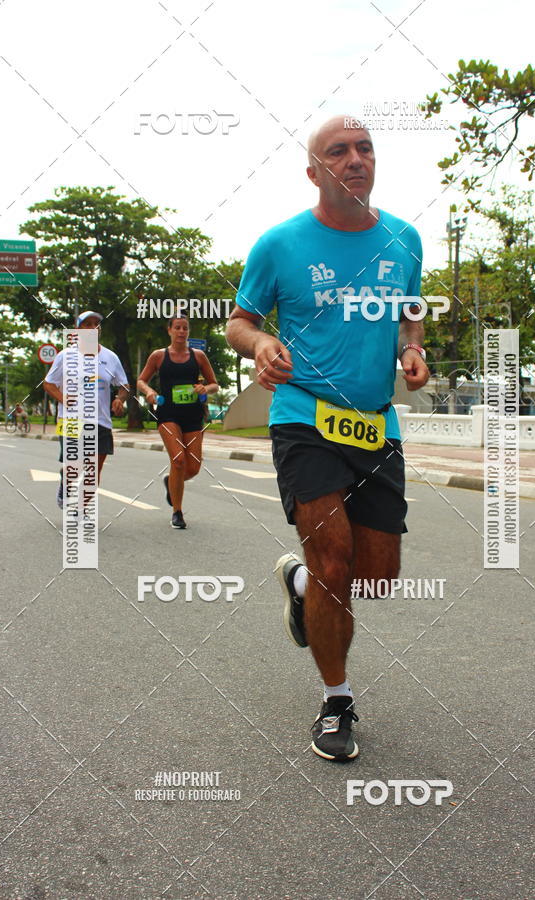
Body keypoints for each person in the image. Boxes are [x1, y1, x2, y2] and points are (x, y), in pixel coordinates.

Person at [226, 116, 430, 761]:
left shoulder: (404, 239)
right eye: (337, 151)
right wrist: (260, 343)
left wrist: (412, 351)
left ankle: (299, 587)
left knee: (377, 576)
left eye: (364, 148)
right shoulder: (281, 244)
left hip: (375, 423)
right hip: (303, 416)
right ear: (314, 171)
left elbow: (410, 314)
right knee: (334, 560)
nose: (355, 159)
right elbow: (240, 320)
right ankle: (336, 700)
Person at [137, 315, 219, 529]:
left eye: (185, 328)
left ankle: (171, 482)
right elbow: (141, 380)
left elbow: (214, 384)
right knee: (179, 461)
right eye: (178, 328)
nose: (182, 331)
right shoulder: (159, 356)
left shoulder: (198, 356)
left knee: (193, 467)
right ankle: (177, 512)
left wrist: (205, 389)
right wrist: (149, 391)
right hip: (168, 414)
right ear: (169, 330)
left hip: (193, 415)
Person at [43, 310, 130, 509]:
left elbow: (124, 385)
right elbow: (48, 384)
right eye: (87, 324)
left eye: (95, 325)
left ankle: (81, 511)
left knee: (93, 471)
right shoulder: (66, 356)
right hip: (70, 420)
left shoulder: (110, 358)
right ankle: (66, 480)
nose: (92, 328)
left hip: (100, 421)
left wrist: (119, 399)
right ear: (78, 329)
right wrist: (63, 398)